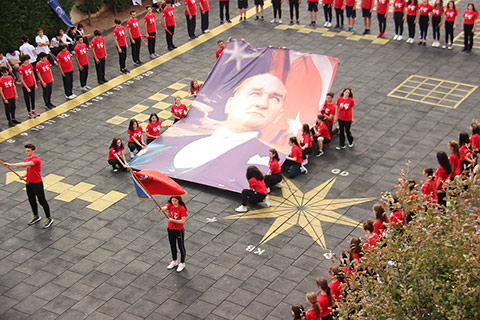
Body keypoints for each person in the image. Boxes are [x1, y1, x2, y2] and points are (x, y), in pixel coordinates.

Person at [3, 144, 53, 228]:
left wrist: (10, 165)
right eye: (26, 151)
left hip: (37, 184)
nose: (27, 152)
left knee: (42, 201)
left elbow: (24, 165)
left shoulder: (36, 160)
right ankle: (36, 216)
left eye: (28, 151)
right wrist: (24, 175)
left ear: (33, 151)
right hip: (29, 183)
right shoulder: (27, 159)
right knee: (31, 200)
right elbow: (28, 169)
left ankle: (49, 218)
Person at [162, 196, 188, 272]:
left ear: (179, 200)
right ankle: (174, 261)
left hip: (178, 230)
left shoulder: (181, 209)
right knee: (172, 245)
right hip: (170, 229)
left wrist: (173, 220)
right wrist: (163, 208)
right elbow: (166, 207)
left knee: (181, 246)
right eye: (172, 201)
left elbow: (183, 221)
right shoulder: (170, 205)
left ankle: (182, 263)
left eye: (175, 201)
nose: (174, 202)